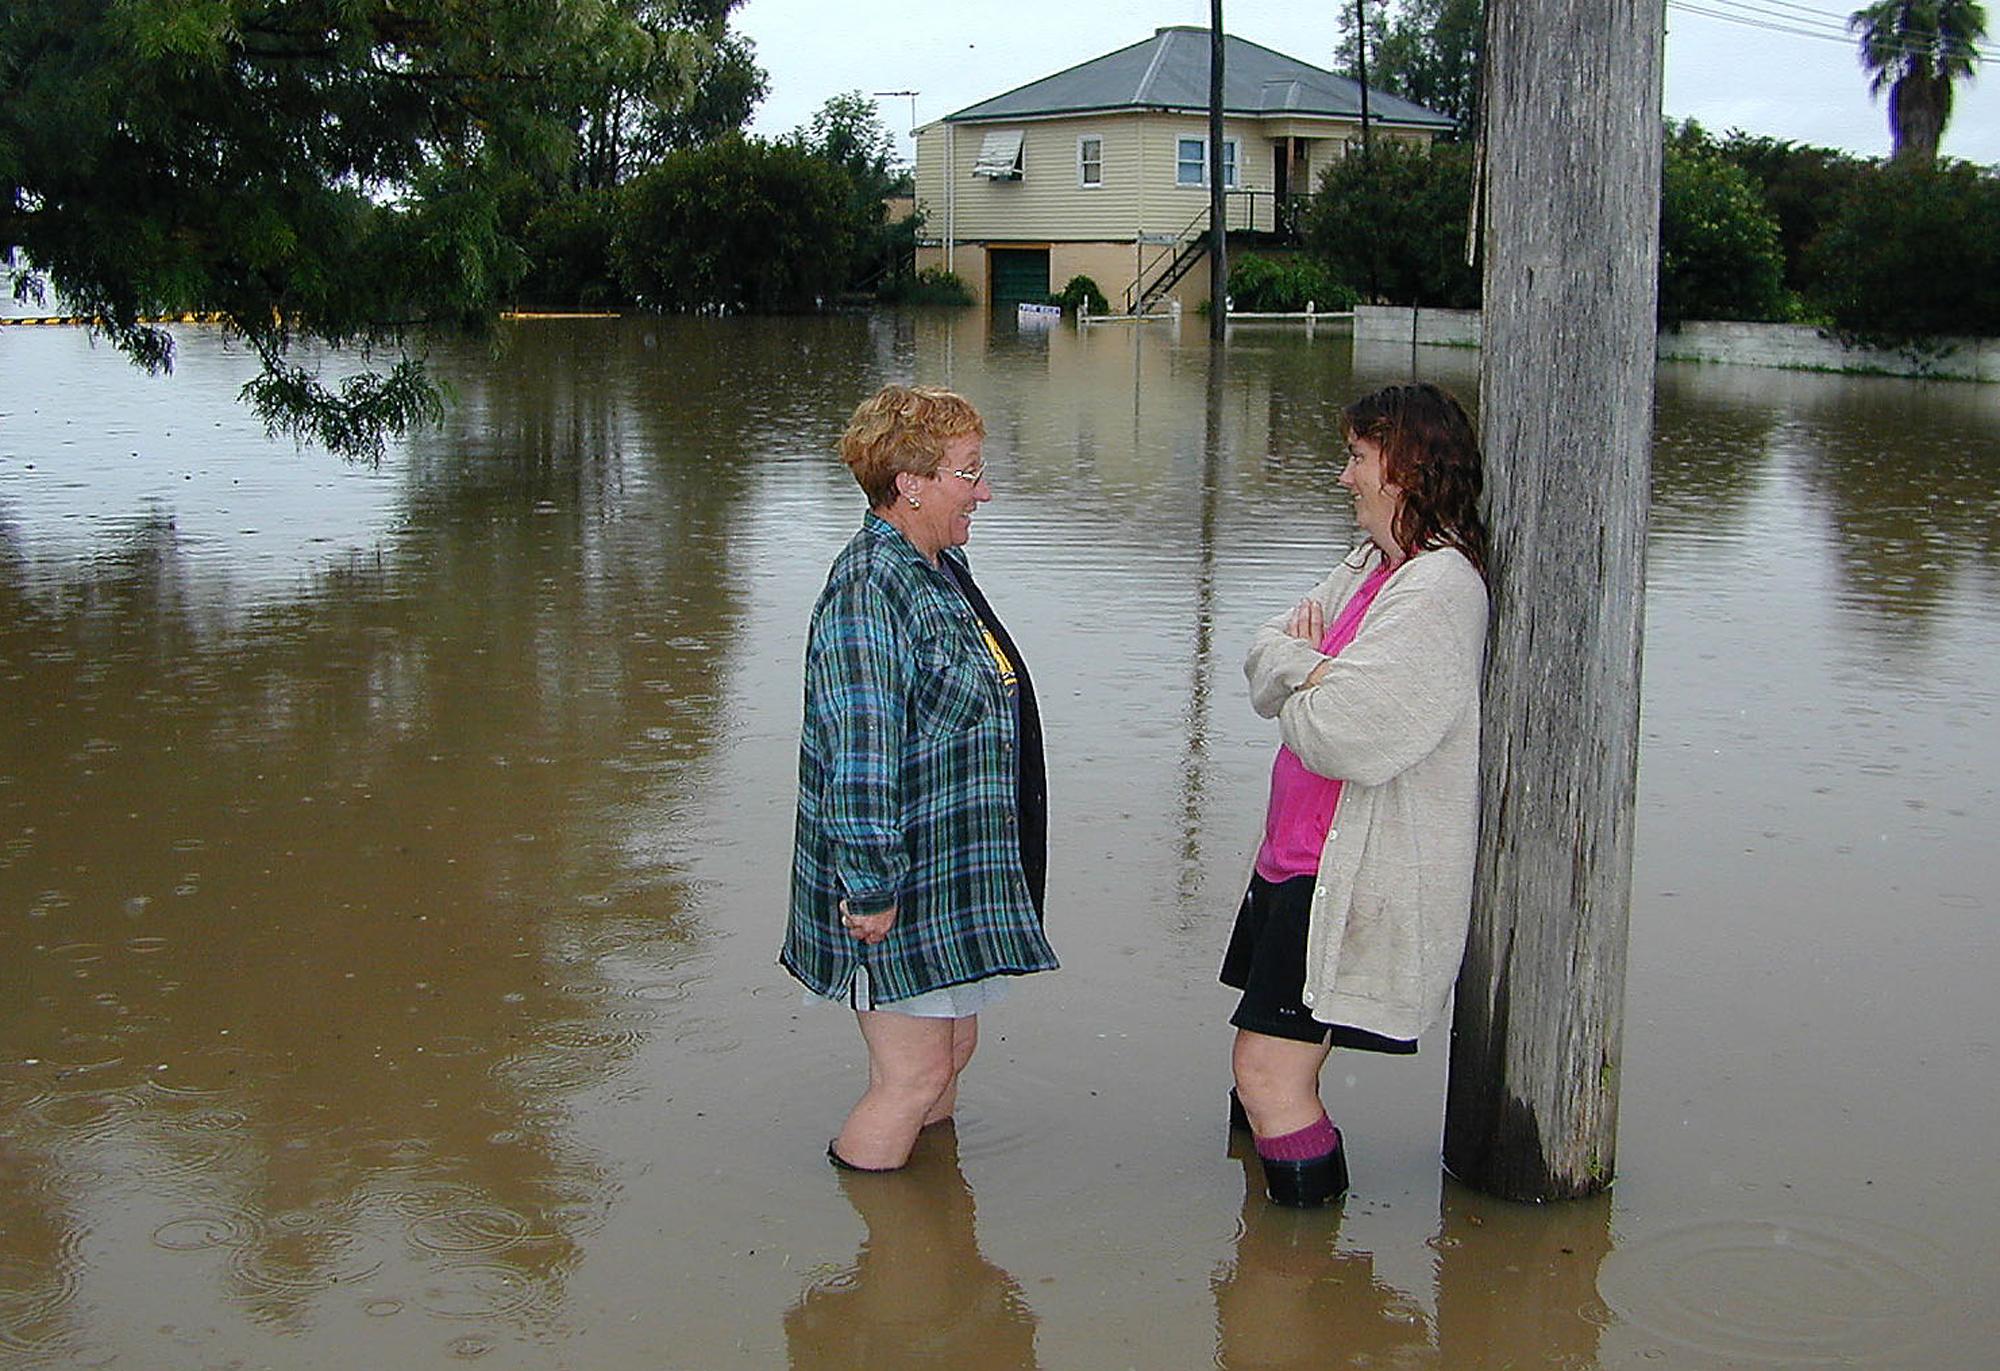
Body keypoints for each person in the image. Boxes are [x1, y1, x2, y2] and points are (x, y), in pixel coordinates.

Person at [1222, 381, 1490, 1207]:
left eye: (1358, 458)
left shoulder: (1441, 590)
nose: (1345, 477)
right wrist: (1312, 671)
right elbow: (1262, 650)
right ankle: (1275, 1274)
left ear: (1405, 470)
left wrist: (1308, 677)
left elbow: (1346, 733)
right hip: (1293, 862)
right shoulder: (1371, 564)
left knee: (1267, 1073)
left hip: (1344, 878)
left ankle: (1307, 1272)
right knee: (1267, 1066)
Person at [782, 383, 1057, 1173]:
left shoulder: (938, 566)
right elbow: (859, 751)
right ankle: (881, 1264)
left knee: (952, 1047)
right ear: (911, 483)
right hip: (892, 883)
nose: (986, 490)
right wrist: (869, 887)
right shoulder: (871, 591)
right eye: (969, 472)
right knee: (914, 1073)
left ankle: (932, 1239)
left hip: (946, 875)